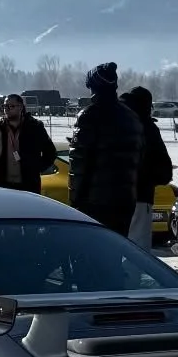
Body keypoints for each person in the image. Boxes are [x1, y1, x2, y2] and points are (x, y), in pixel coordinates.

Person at [70, 63, 142, 236]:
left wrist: (75, 203)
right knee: (115, 252)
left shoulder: (88, 116)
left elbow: (78, 166)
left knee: (91, 255)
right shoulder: (131, 117)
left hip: (94, 203)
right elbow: (139, 159)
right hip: (125, 201)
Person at [123, 85, 174, 250]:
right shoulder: (147, 128)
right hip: (141, 195)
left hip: (112, 197)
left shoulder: (116, 122)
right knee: (137, 249)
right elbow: (163, 168)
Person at [0, 93, 57, 194]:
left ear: (21, 107)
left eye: (11, 106)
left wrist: (35, 169)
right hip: (3, 186)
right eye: (5, 106)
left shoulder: (35, 127)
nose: (7, 109)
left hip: (28, 186)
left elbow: (51, 153)